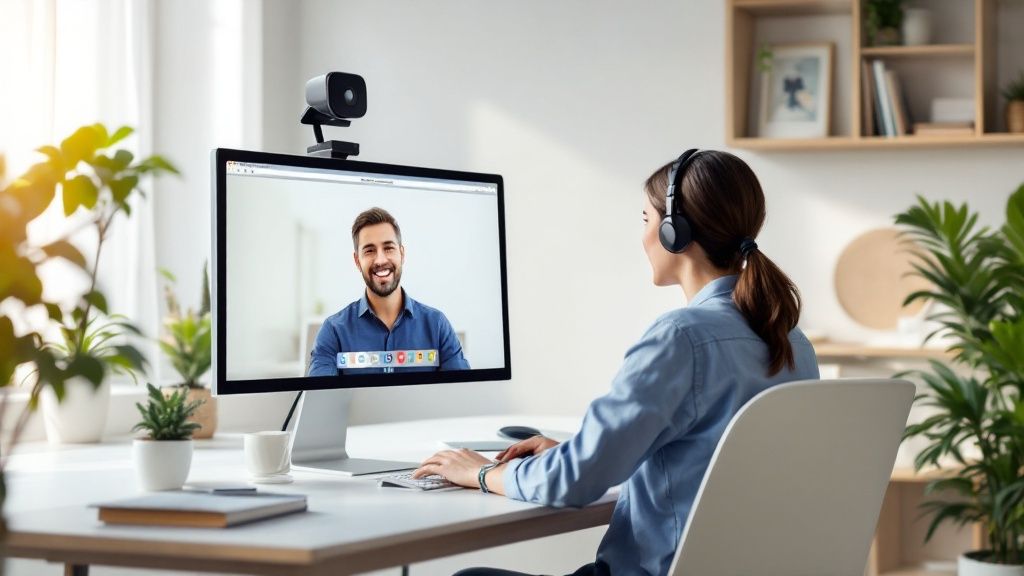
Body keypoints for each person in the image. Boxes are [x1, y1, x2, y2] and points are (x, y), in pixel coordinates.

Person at [413, 150, 820, 575]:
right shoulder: (791, 340)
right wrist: (590, 455)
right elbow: (710, 471)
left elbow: (575, 482)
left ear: (672, 232)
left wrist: (480, 473)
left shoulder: (680, 338)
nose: (642, 236)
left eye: (645, 220)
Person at [307, 207, 470, 376]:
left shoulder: (437, 325)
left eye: (388, 248)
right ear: (357, 261)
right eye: (369, 250)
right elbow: (320, 398)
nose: (380, 260)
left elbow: (462, 396)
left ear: (402, 254)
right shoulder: (333, 331)